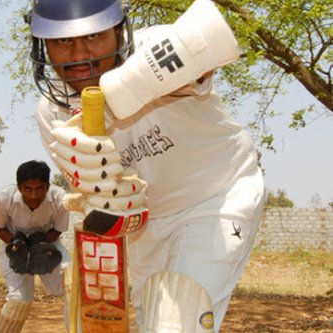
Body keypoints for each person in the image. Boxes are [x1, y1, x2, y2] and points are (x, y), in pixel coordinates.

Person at [26, 0, 265, 332]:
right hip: (145, 229)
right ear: (43, 43)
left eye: (94, 35)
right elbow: (103, 199)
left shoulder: (151, 47)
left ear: (118, 30)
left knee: (175, 323)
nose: (79, 52)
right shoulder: (53, 114)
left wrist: (121, 92)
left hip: (216, 199)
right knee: (152, 323)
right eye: (63, 40)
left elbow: (207, 38)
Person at [0, 160, 70, 333]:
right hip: (15, 248)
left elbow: (58, 230)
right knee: (19, 300)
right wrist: (15, 243)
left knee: (72, 287)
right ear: (19, 187)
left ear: (47, 186)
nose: (33, 195)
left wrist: (42, 242)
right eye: (27, 189)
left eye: (39, 188)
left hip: (48, 244)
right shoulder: (4, 197)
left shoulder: (60, 198)